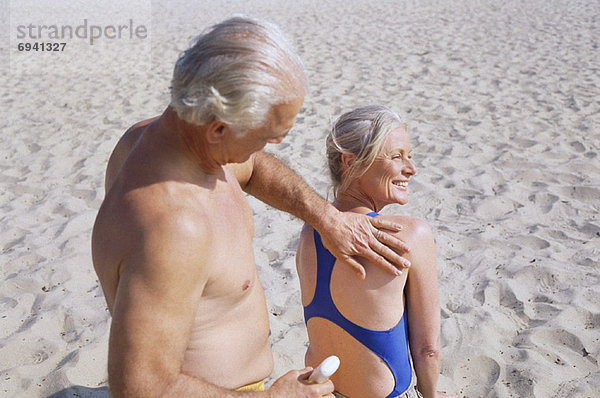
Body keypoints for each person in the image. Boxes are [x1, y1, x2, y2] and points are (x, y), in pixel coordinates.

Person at [92, 18, 411, 397]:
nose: (273, 144)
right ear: (218, 129)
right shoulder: (173, 226)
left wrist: (328, 218)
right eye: (267, 134)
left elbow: (255, 166)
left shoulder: (163, 140)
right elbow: (140, 387)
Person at [296, 105, 457, 398]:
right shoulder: (410, 235)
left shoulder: (310, 233)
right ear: (351, 162)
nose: (411, 169)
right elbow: (428, 349)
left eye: (410, 156)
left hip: (325, 391)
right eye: (397, 157)